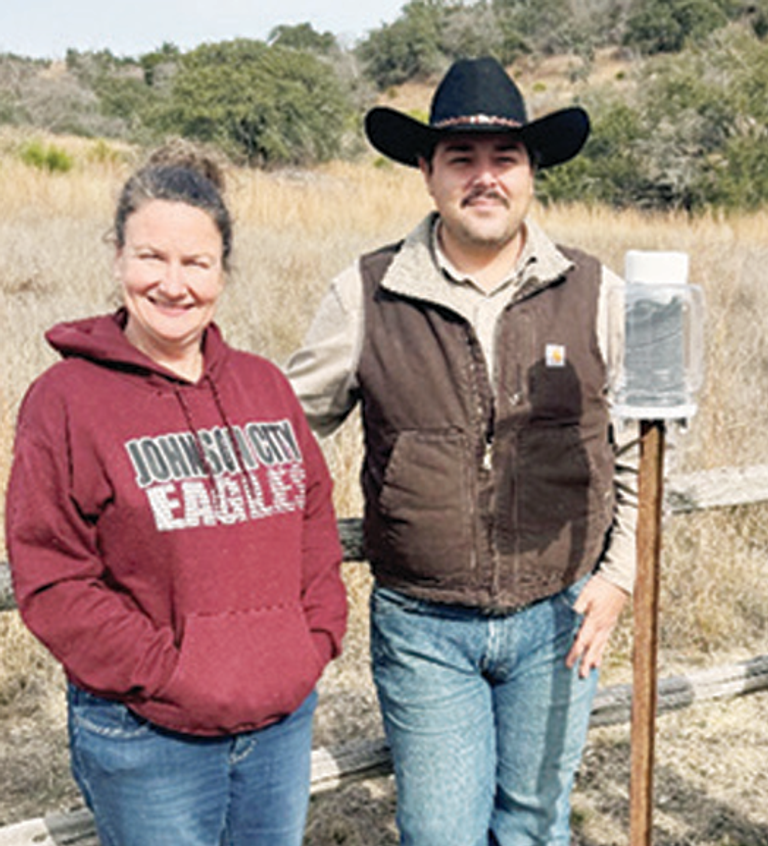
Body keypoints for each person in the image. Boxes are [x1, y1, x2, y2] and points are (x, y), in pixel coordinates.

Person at [285, 56, 637, 845]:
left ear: (532, 172)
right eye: (461, 159)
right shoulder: (367, 293)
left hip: (561, 615)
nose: (485, 178)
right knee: (441, 833)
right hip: (423, 623)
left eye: (505, 158)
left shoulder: (597, 291)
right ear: (427, 172)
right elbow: (288, 432)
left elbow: (647, 445)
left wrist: (619, 575)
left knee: (535, 826)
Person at [5, 143, 348, 846]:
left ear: (223, 270)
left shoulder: (263, 387)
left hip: (279, 725)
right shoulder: (66, 400)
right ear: (117, 257)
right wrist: (169, 671)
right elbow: (53, 577)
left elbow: (313, 519)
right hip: (147, 731)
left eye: (196, 262)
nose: (172, 283)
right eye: (150, 257)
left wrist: (309, 642)